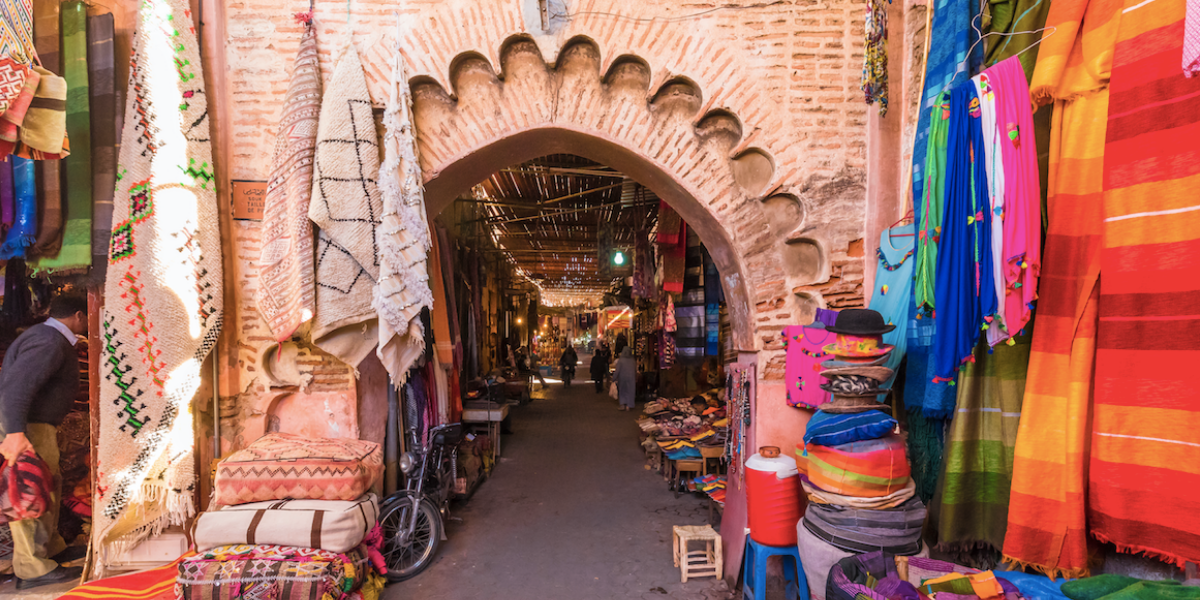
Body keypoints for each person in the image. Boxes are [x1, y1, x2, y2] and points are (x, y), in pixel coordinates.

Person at [0, 293, 89, 589]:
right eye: (87, 318)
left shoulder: (48, 338)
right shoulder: (49, 341)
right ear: (78, 315)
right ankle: (31, 568)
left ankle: (51, 550)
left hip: (36, 425)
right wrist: (14, 432)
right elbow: (16, 386)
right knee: (29, 491)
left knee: (47, 486)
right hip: (28, 427)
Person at [613, 347, 637, 411]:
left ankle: (623, 404)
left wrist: (614, 378)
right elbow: (635, 370)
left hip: (622, 377)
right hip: (631, 377)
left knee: (622, 391)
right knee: (630, 391)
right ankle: (629, 405)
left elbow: (617, 370)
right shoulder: (633, 360)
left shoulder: (621, 360)